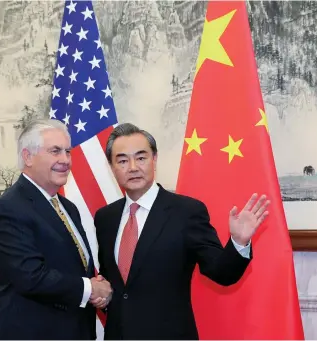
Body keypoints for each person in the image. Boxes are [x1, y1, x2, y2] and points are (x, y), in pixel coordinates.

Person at [93, 123, 270, 340]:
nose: (133, 167)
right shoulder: (105, 218)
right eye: (122, 160)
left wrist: (239, 242)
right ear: (112, 167)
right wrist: (102, 293)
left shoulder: (186, 212)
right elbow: (113, 282)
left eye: (141, 158)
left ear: (154, 159)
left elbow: (221, 273)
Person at [0, 119, 112, 340]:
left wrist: (96, 288)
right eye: (55, 151)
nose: (65, 160)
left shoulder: (68, 208)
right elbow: (30, 276)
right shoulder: (9, 208)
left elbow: (74, 267)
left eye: (67, 151)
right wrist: (90, 289)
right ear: (28, 157)